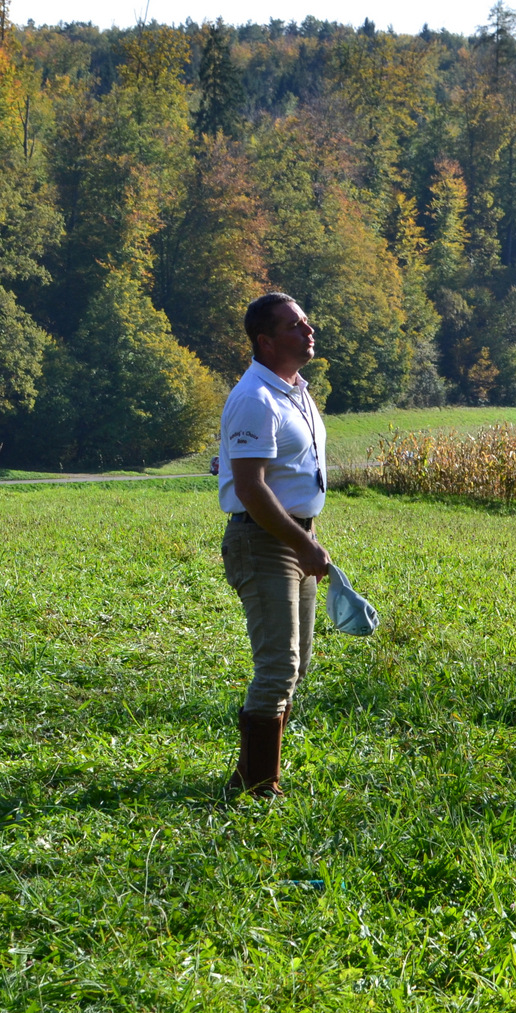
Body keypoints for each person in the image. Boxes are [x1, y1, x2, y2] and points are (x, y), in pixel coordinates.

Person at [218, 292, 331, 797]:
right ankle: (259, 784)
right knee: (278, 667)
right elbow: (250, 488)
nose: (307, 331)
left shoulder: (295, 390)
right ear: (265, 342)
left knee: (298, 663)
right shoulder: (254, 397)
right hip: (263, 539)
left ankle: (253, 774)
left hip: (293, 536)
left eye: (305, 322)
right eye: (293, 326)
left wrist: (307, 539)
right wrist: (301, 544)